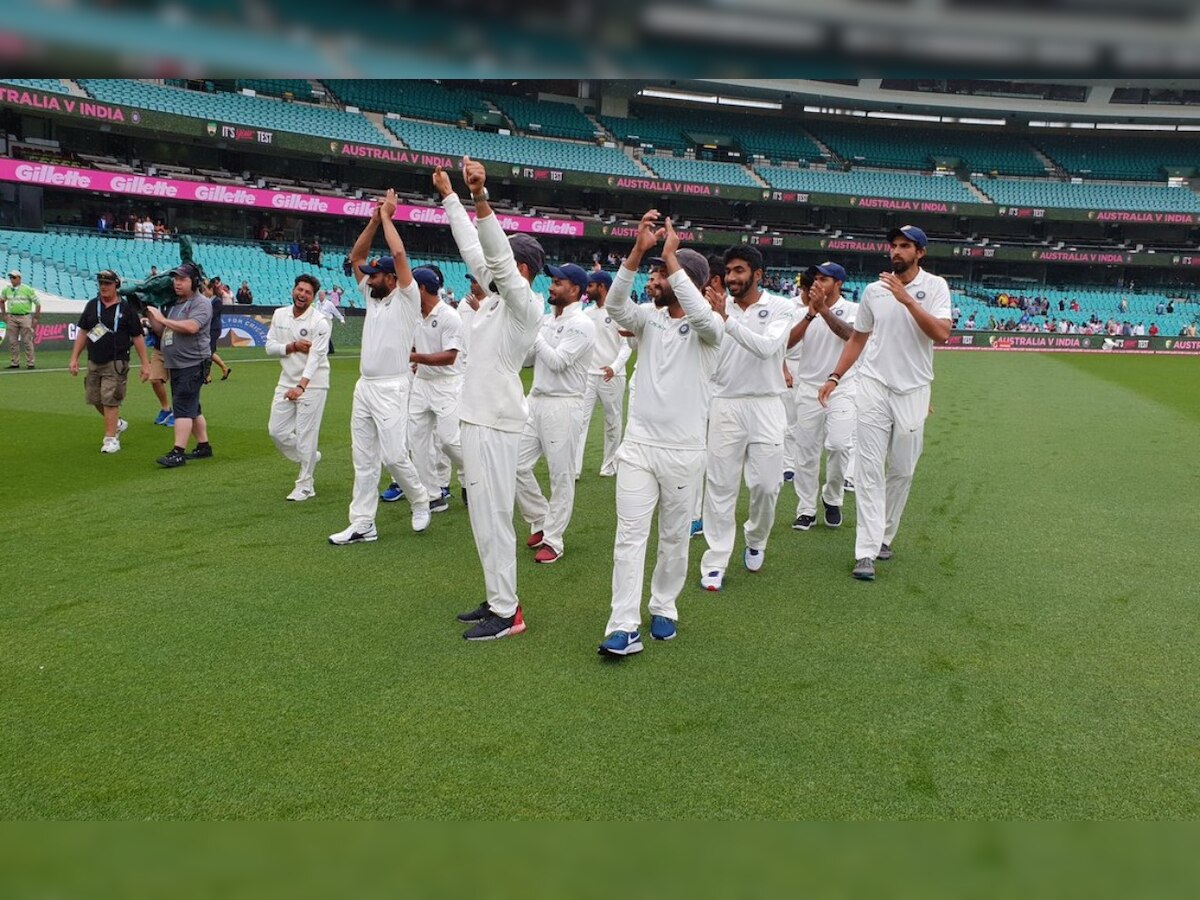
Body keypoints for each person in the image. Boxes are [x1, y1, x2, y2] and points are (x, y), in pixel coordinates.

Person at [598, 212, 723, 657]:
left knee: (673, 539)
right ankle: (623, 624)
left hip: (685, 452)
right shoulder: (648, 321)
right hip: (639, 448)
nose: (652, 280)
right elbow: (614, 307)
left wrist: (671, 259)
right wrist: (637, 251)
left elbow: (705, 321)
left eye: (659, 274)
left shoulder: (711, 329)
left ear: (684, 278)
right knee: (629, 537)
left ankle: (664, 605)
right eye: (653, 272)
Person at [436, 159, 544, 641]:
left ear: (521, 270)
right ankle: (498, 598)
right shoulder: (497, 299)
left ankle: (509, 613)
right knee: (483, 517)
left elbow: (494, 257)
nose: (485, 267)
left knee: (495, 517)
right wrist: (450, 198)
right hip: (478, 419)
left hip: (498, 423)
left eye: (502, 263)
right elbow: (477, 253)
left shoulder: (524, 305)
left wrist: (480, 198)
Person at [818, 225, 951, 582]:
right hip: (873, 385)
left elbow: (941, 333)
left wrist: (907, 299)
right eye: (893, 245)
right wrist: (835, 376)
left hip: (914, 390)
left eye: (904, 246)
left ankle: (885, 536)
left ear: (920, 252)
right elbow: (858, 338)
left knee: (903, 470)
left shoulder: (936, 287)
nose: (896, 251)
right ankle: (865, 551)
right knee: (868, 469)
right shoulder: (875, 291)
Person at [328, 188, 432, 545]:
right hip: (365, 386)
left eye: (375, 275)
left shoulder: (407, 298)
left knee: (393, 455)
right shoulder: (373, 298)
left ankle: (421, 499)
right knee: (364, 458)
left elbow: (399, 253)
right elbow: (356, 256)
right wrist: (373, 219)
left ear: (391, 279)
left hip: (392, 386)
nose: (368, 278)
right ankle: (363, 523)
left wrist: (389, 216)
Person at [697, 245, 797, 592]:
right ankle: (715, 559)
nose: (732, 277)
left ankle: (755, 537)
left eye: (740, 271)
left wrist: (727, 318)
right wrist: (717, 315)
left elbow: (767, 348)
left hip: (767, 404)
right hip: (725, 403)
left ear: (757, 275)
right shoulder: (714, 310)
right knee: (720, 487)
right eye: (729, 271)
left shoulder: (781, 307)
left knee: (768, 486)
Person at [515, 262, 596, 564]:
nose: (551, 286)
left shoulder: (582, 324)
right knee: (515, 464)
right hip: (535, 400)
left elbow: (559, 361)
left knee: (560, 475)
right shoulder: (548, 322)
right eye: (551, 280)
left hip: (564, 404)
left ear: (575, 289)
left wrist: (534, 332)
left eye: (558, 282)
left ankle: (554, 540)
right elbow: (526, 361)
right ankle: (540, 518)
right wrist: (529, 334)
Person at [786, 262, 858, 532]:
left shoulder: (854, 310)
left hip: (842, 387)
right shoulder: (803, 310)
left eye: (824, 279)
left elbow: (851, 335)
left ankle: (832, 497)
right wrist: (809, 315)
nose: (816, 284)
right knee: (805, 452)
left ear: (838, 284)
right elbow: (788, 344)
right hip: (808, 387)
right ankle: (806, 509)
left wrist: (823, 311)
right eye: (815, 279)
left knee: (839, 445)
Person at [67, 270, 150, 453]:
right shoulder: (91, 305)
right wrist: (74, 358)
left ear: (116, 286)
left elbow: (137, 337)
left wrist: (145, 364)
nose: (104, 287)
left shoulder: (126, 309)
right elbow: (83, 332)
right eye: (101, 283)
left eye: (108, 284)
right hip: (94, 359)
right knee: (94, 398)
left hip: (117, 361)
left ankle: (111, 438)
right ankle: (117, 423)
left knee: (110, 399)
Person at [407, 264, 466, 515]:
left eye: (411, 287)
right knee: (416, 441)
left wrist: (414, 357)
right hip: (422, 384)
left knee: (449, 440)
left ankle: (478, 475)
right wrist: (414, 361)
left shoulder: (449, 316)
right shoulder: (414, 315)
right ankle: (433, 495)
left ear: (421, 288)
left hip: (448, 384)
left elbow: (449, 357)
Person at [266, 274, 331, 502]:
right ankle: (310, 456)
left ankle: (305, 485)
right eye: (299, 289)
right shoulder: (279, 314)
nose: (302, 294)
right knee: (277, 431)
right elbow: (270, 347)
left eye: (307, 292)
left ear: (313, 298)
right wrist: (292, 346)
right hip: (286, 380)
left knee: (306, 436)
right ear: (293, 290)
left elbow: (316, 357)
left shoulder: (320, 321)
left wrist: (302, 386)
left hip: (313, 384)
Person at [144, 263, 215, 468]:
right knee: (193, 406)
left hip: (192, 362)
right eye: (175, 279)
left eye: (182, 279)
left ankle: (178, 452)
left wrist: (163, 319)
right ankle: (203, 446)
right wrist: (151, 313)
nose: (177, 283)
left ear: (194, 282)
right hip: (178, 363)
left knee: (183, 406)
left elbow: (192, 327)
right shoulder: (175, 304)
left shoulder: (201, 303)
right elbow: (161, 330)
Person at [574, 270, 632, 480]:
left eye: (591, 286)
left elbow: (627, 346)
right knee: (580, 421)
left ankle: (609, 465)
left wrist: (614, 367)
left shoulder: (618, 312)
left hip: (613, 376)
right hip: (589, 375)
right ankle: (575, 468)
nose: (587, 289)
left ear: (602, 287)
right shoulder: (587, 313)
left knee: (612, 422)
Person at [2, 270, 40, 369]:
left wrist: (36, 317)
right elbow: (1, 301)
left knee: (27, 340)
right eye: (11, 277)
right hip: (12, 317)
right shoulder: (7, 290)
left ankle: (30, 363)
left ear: (19, 278)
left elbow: (38, 303)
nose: (12, 280)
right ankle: (15, 362)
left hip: (25, 316)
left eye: (14, 277)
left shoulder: (27, 289)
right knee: (12, 341)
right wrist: (4, 314)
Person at [203, 279, 231, 382]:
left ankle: (207, 375)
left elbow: (212, 315)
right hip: (210, 328)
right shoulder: (211, 300)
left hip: (213, 329)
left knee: (208, 351)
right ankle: (225, 368)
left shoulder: (217, 301)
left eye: (207, 289)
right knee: (210, 351)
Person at [317, 288, 346, 355]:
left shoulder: (329, 304)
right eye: (319, 295)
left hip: (327, 321)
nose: (320, 296)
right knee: (321, 335)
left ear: (324, 296)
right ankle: (330, 349)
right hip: (319, 321)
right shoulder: (317, 303)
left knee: (326, 334)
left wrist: (341, 319)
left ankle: (326, 350)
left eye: (322, 295)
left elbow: (336, 312)